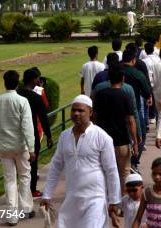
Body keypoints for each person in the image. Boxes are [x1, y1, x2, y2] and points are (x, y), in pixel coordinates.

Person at [41, 95, 121, 228]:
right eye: (73, 110)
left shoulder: (102, 137)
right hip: (71, 200)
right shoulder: (64, 136)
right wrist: (47, 194)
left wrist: (114, 200)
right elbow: (56, 166)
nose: (76, 113)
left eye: (81, 110)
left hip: (95, 199)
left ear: (90, 112)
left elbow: (111, 170)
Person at [0, 70, 35, 226]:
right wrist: (31, 148)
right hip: (21, 146)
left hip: (5, 146)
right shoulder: (22, 101)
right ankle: (25, 209)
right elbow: (27, 127)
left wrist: (3, 138)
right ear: (18, 83)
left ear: (5, 83)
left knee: (10, 180)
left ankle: (12, 216)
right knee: (24, 176)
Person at [93, 64, 139, 193]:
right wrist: (135, 141)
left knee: (105, 172)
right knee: (124, 172)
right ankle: (122, 203)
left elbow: (94, 117)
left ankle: (107, 201)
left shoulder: (100, 94)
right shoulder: (125, 95)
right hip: (121, 141)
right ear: (123, 78)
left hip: (102, 141)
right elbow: (131, 120)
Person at [17, 69, 53, 198]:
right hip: (32, 135)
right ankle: (31, 190)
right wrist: (48, 136)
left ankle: (22, 190)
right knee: (32, 164)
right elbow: (43, 118)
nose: (39, 81)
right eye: (38, 78)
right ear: (33, 80)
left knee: (20, 165)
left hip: (16, 135)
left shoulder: (17, 94)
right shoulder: (36, 97)